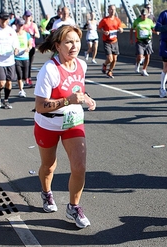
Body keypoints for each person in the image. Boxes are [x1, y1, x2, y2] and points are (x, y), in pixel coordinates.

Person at [34, 25, 96, 228]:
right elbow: (40, 106)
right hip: (48, 123)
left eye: (77, 41)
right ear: (57, 45)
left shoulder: (81, 65)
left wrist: (86, 98)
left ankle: (73, 207)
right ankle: (46, 193)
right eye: (68, 42)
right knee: (49, 166)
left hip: (73, 122)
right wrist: (67, 101)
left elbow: (76, 89)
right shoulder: (49, 70)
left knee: (79, 167)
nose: (74, 46)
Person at [98, 4, 123, 79]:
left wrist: (121, 30)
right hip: (107, 41)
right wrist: (104, 32)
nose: (113, 11)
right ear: (108, 10)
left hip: (114, 41)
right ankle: (105, 64)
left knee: (115, 59)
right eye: (111, 9)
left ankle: (110, 71)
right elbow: (99, 28)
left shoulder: (117, 20)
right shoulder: (104, 20)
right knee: (110, 59)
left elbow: (121, 28)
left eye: (114, 9)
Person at [130, 8, 155, 76]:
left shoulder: (150, 21)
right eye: (142, 15)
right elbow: (132, 29)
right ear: (141, 15)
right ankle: (137, 64)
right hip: (139, 41)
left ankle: (144, 69)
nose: (144, 16)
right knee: (140, 56)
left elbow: (153, 29)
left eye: (145, 15)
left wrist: (156, 31)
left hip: (148, 41)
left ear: (147, 15)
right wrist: (131, 39)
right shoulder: (137, 21)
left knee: (147, 56)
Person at [14, 18, 32, 98]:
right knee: (19, 75)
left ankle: (22, 85)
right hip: (17, 58)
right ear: (16, 25)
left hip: (25, 57)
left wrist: (29, 48)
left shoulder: (26, 34)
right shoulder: (13, 34)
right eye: (19, 25)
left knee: (25, 76)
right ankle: (21, 90)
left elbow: (30, 44)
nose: (20, 27)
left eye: (22, 25)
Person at [22, 10, 40, 87]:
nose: (27, 17)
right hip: (23, 47)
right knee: (24, 63)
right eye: (26, 16)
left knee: (29, 63)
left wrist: (32, 34)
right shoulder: (22, 25)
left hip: (31, 46)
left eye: (29, 16)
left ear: (31, 17)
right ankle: (24, 78)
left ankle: (28, 78)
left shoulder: (34, 25)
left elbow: (38, 35)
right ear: (24, 17)